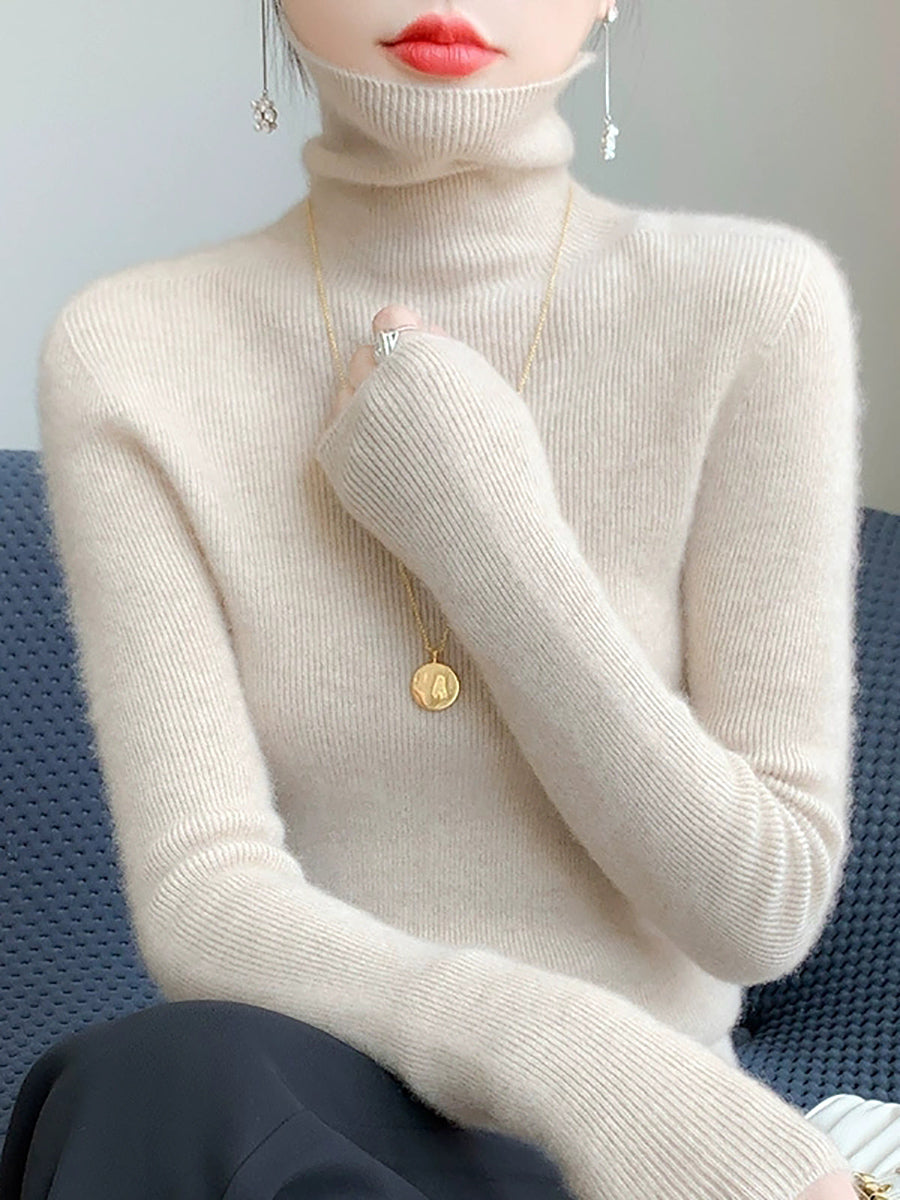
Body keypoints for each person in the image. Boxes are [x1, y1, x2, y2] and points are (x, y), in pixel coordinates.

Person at [0, 1, 866, 1198]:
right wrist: (562, 1052)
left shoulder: (754, 306)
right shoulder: (132, 350)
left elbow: (760, 906)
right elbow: (204, 895)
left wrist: (481, 523)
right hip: (304, 1122)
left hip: (654, 1157)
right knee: (148, 1080)